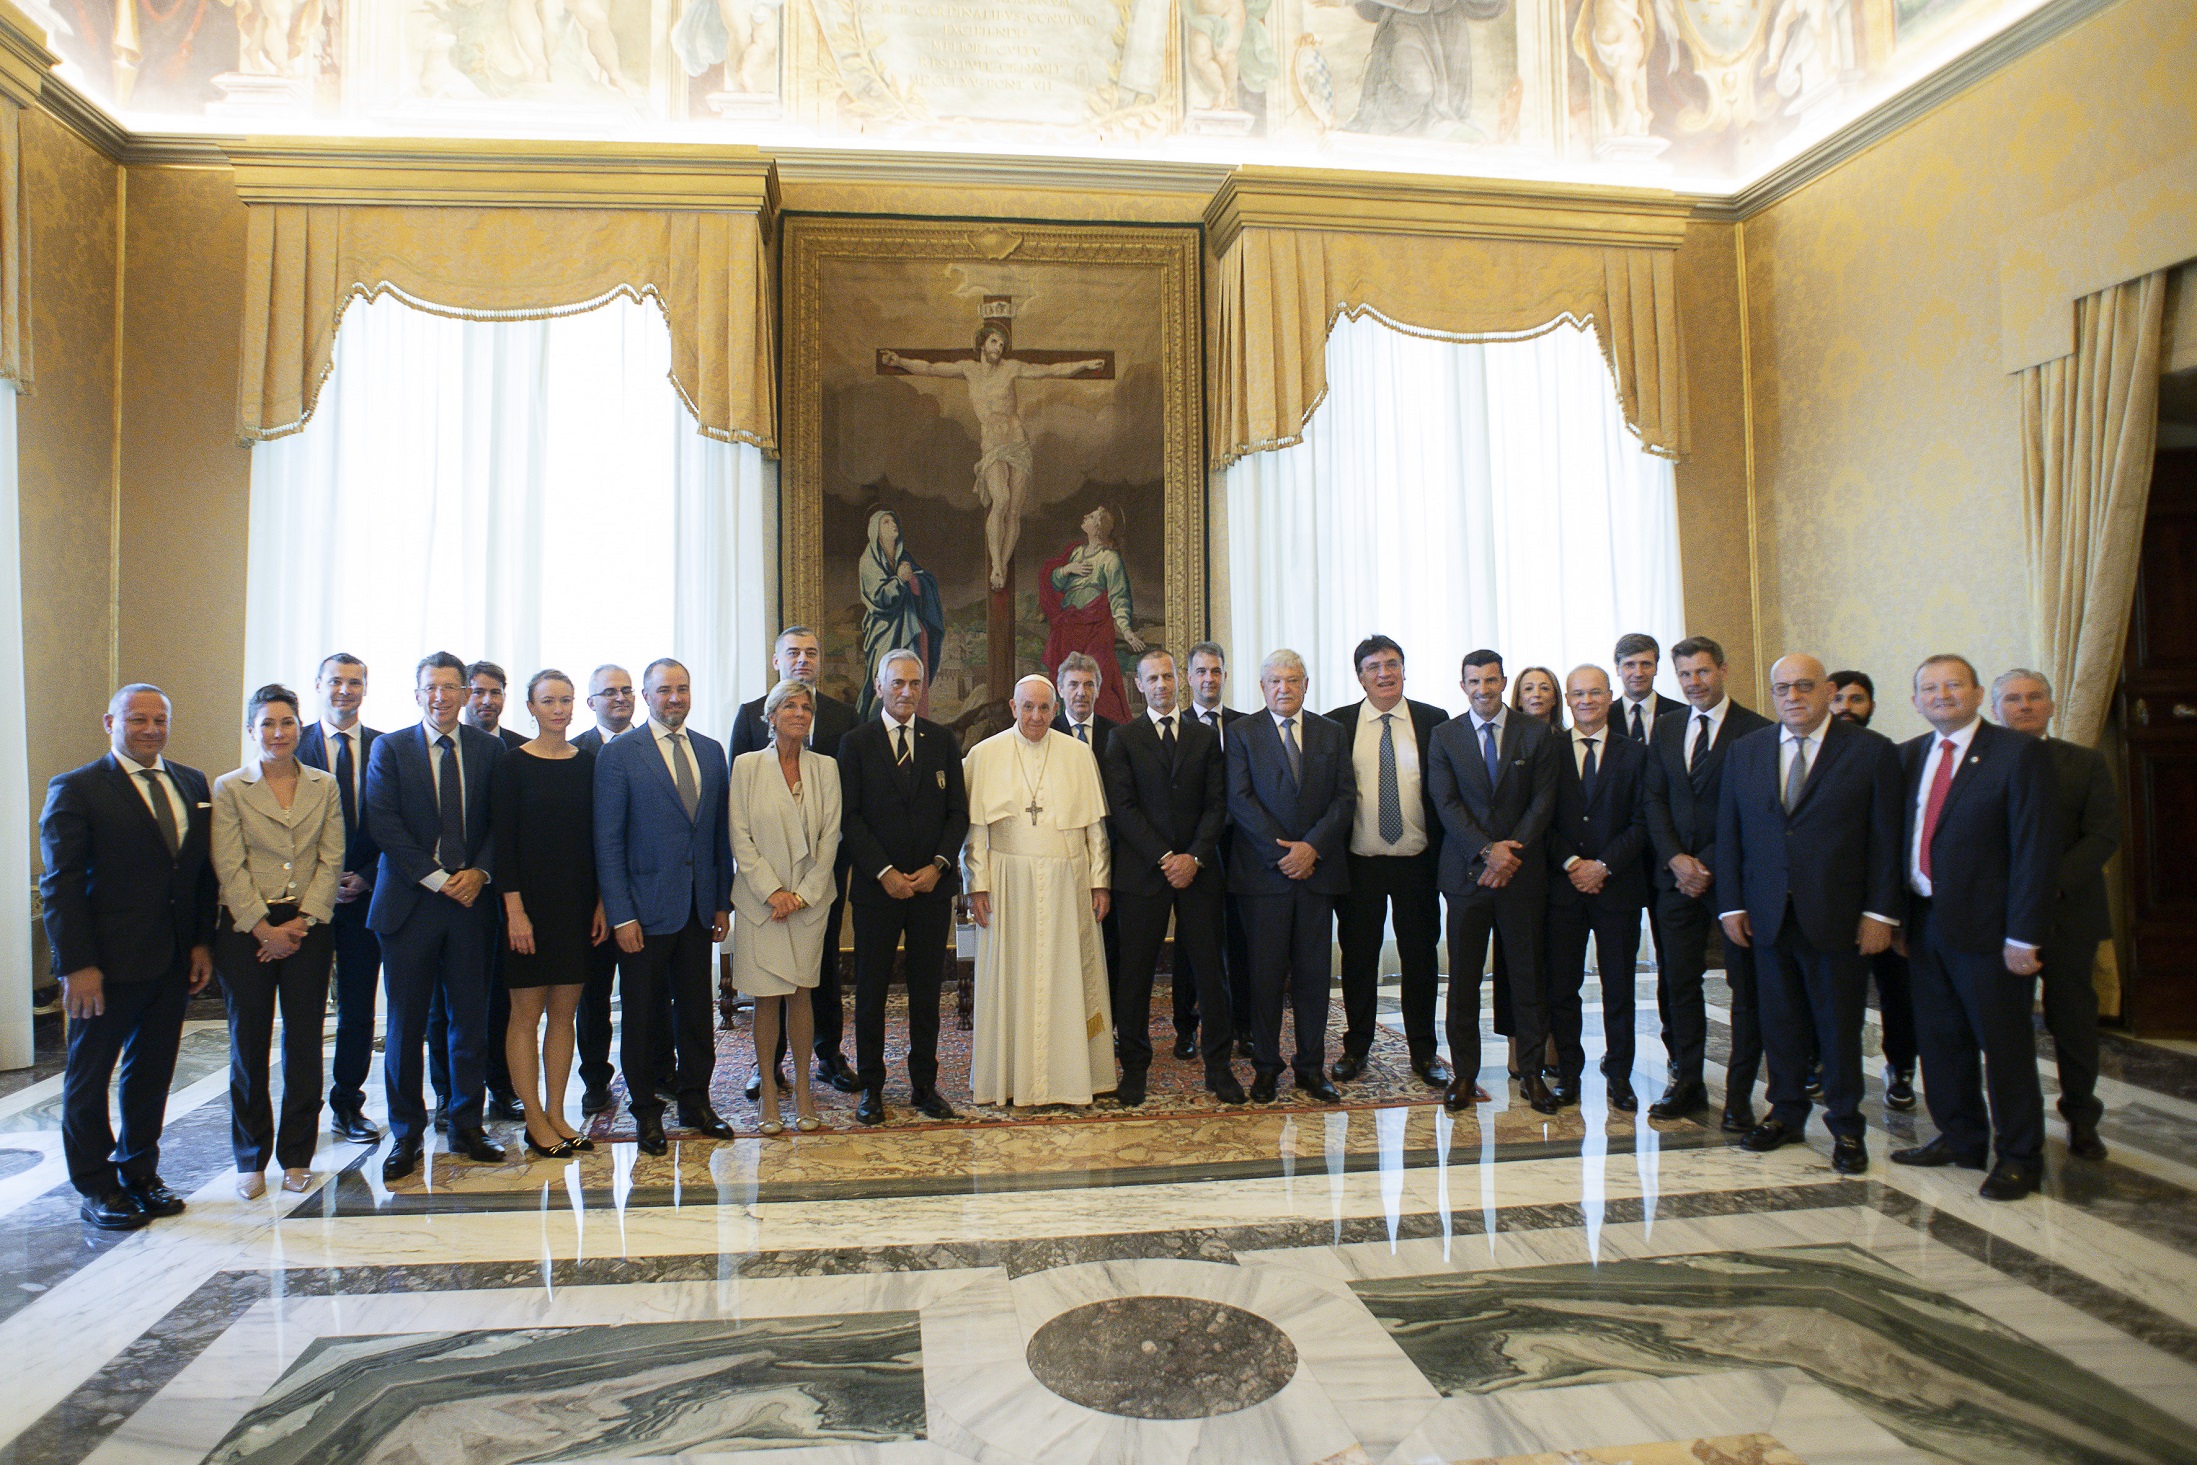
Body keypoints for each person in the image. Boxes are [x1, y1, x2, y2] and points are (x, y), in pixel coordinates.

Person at [1715, 653, 1903, 1178]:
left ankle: (1846, 1125)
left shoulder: (1871, 752)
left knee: (1838, 1024)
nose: (1792, 697)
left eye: (1803, 686)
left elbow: (1887, 840)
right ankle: (1786, 1112)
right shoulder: (1747, 751)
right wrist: (1732, 904)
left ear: (1826, 691)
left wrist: (1881, 913)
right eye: (1782, 688)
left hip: (1839, 915)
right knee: (1780, 1021)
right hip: (1767, 915)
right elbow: (1730, 833)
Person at [41, 684, 219, 1230]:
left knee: (152, 1074)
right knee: (89, 1078)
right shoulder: (76, 787)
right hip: (103, 966)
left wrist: (199, 942)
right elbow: (60, 884)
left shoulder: (191, 782)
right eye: (137, 719)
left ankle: (141, 1173)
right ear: (110, 722)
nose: (150, 729)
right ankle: (96, 1186)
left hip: (171, 960)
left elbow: (197, 874)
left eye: (159, 719)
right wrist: (76, 965)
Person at [1889, 655, 2057, 1201]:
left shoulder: (2018, 753)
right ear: (1915, 701)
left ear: (1979, 693)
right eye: (1929, 688)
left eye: (1953, 685)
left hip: (1992, 931)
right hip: (1925, 921)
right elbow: (1896, 843)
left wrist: (2024, 934)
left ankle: (2019, 1156)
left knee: (2004, 1048)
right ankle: (1960, 1137)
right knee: (1940, 1040)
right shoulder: (1908, 756)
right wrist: (1896, 919)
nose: (1941, 695)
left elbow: (2035, 849)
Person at [365, 652, 509, 1182]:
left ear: (466, 693)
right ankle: (406, 1134)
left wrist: (480, 872)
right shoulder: (390, 748)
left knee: (469, 1021)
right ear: (417, 693)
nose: (440, 697)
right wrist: (436, 877)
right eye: (431, 687)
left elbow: (500, 822)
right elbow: (384, 823)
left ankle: (467, 1126)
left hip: (471, 905)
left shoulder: (488, 749)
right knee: (406, 1027)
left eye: (451, 687)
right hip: (410, 906)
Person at [594, 658, 737, 1156]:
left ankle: (696, 1103)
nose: (674, 698)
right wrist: (621, 915)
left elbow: (717, 835)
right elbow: (608, 842)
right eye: (663, 690)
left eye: (682, 688)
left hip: (698, 909)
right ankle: (646, 1112)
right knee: (641, 1016)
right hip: (642, 913)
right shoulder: (620, 754)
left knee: (697, 1013)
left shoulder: (711, 751)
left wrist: (721, 903)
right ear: (646, 696)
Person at [210, 685, 344, 1198]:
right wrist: (263, 929)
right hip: (248, 928)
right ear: (252, 730)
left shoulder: (324, 785)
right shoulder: (229, 787)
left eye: (286, 722)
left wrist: (301, 925)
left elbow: (332, 859)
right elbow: (229, 863)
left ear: (299, 728)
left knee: (304, 1043)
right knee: (248, 1044)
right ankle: (250, 1157)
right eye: (267, 723)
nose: (278, 732)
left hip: (308, 926)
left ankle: (297, 1155)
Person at [964, 675, 1115, 1105]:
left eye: (1044, 708)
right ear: (1013, 707)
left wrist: (1099, 881)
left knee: (1067, 976)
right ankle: (1010, 1078)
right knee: (1012, 977)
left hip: (1068, 882)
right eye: (1027, 707)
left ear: (1055, 709)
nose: (1035, 716)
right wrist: (977, 885)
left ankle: (1069, 1078)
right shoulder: (984, 754)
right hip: (1008, 883)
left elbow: (1094, 829)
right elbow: (975, 831)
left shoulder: (1078, 753)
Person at [1641, 636, 1772, 1125]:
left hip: (1733, 882)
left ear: (1722, 669)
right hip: (1674, 880)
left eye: (1702, 671)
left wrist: (1706, 863)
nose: (1694, 682)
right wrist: (1677, 859)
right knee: (1679, 983)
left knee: (1744, 988)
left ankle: (1738, 1094)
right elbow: (1653, 799)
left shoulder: (1756, 730)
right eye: (1685, 674)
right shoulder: (1667, 727)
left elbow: (1755, 810)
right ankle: (1688, 1082)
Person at [729, 626, 862, 1100]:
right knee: (770, 979)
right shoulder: (749, 715)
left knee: (820, 964)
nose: (803, 659)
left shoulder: (843, 716)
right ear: (776, 660)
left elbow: (845, 801)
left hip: (821, 872)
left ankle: (827, 1054)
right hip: (765, 881)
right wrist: (770, 887)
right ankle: (769, 1065)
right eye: (793, 652)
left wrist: (811, 884)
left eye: (811, 652)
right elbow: (737, 808)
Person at [1102, 649, 1240, 1106]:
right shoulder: (1123, 739)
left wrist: (1193, 857)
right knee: (1135, 976)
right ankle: (1134, 1070)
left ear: (1179, 680)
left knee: (1211, 972)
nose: (1161, 685)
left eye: (1167, 676)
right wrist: (1165, 857)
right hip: (1143, 873)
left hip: (1199, 872)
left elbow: (1217, 805)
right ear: (1138, 685)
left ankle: (1218, 1068)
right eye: (1152, 678)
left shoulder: (1205, 736)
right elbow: (1123, 809)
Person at [1427, 650, 1562, 1115]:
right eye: (1473, 682)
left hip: (1521, 876)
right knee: (1463, 980)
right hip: (1466, 877)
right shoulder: (1444, 736)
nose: (1482, 690)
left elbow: (1543, 801)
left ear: (1504, 682)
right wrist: (1488, 851)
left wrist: (1508, 855)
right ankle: (1464, 1074)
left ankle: (1531, 1074)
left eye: (1490, 680)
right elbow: (1446, 803)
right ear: (1462, 686)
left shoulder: (1535, 733)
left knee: (1527, 977)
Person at [837, 649, 968, 1124]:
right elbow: (849, 817)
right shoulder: (856, 743)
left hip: (931, 889)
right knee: (871, 991)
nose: (907, 691)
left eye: (915, 683)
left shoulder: (942, 740)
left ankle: (924, 1086)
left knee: (927, 991)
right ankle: (872, 1087)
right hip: (878, 891)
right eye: (898, 683)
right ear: (879, 687)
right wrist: (883, 872)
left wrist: (938, 866)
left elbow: (958, 813)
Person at [1993, 668, 2117, 1161]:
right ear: (1995, 707)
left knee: (2073, 1021)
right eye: (2013, 698)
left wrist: (2045, 887)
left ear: (2050, 704)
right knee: (2007, 1024)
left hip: (2069, 913)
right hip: (2000, 916)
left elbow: (2103, 834)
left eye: (2034, 697)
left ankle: (2082, 1118)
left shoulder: (2085, 762)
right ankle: (2017, 1122)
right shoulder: (1983, 762)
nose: (2024, 706)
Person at [1226, 649, 1355, 1105]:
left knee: (1314, 977)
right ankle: (1266, 1067)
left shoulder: (1331, 732)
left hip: (1316, 874)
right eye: (1275, 681)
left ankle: (1310, 1067)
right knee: (1264, 978)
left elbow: (1344, 797)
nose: (1284, 688)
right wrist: (1284, 854)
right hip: (1264, 877)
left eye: (1293, 680)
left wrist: (1311, 848)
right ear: (1262, 687)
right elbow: (1239, 799)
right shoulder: (1240, 733)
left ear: (1306, 685)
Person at [491, 670, 606, 1160]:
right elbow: (503, 845)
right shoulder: (511, 765)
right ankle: (534, 1119)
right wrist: (515, 911)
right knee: (526, 1016)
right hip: (528, 908)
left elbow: (599, 839)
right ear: (531, 708)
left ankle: (558, 1113)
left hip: (576, 905)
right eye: (547, 701)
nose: (558, 709)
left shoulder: (589, 764)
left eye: (565, 700)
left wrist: (602, 902)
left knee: (564, 1015)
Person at [1326, 635, 1450, 1089]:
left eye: (1392, 664)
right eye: (1373, 667)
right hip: (1360, 863)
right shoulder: (1337, 725)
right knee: (1359, 957)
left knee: (1420, 957)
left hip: (1417, 861)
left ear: (1404, 669)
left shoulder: (1434, 721)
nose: (1384, 674)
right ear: (1360, 676)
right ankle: (1356, 1047)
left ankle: (1424, 1050)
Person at [1544, 665, 1651, 1110]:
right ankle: (1568, 1074)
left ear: (1610, 697)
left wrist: (1603, 865)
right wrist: (1573, 863)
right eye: (1577, 694)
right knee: (1562, 987)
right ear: (1567, 700)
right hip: (1563, 889)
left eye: (1594, 693)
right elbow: (1539, 817)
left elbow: (1643, 821)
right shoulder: (1548, 750)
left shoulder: (1636, 753)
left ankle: (1620, 1075)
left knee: (1619, 987)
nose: (1586, 701)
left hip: (1617, 888)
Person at [295, 653, 382, 1144]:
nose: (344, 690)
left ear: (365, 689)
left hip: (365, 897)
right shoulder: (291, 743)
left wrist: (367, 876)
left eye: (354, 682)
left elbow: (398, 822)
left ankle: (348, 1104)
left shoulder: (387, 747)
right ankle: (300, 1111)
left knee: (357, 1007)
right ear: (318, 685)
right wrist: (323, 880)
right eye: (335, 681)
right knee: (305, 1010)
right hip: (306, 900)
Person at [1827, 667, 1916, 1108]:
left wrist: (1893, 912)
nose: (1846, 707)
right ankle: (1822, 1065)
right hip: (1830, 901)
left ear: (1872, 706)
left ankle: (1900, 1068)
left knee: (1896, 993)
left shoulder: (1888, 756)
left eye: (1856, 699)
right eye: (1838, 698)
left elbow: (1899, 838)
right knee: (1831, 995)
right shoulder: (1807, 757)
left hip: (1882, 901)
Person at [571, 663, 653, 1116]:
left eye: (626, 690)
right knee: (594, 996)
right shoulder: (575, 753)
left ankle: (657, 1072)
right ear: (591, 703)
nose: (620, 698)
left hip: (648, 894)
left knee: (650, 994)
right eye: (609, 692)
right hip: (592, 903)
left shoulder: (653, 745)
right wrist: (603, 898)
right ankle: (595, 1079)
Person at [448, 659, 526, 1125]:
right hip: (451, 894)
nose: (486, 700)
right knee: (448, 1006)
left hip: (504, 893)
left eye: (495, 692)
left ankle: (502, 1087)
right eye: (477, 691)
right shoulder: (445, 746)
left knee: (502, 998)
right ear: (463, 696)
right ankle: (450, 1095)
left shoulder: (519, 748)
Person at [1179, 641, 1252, 1059]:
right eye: (1202, 671)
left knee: (1240, 938)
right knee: (1192, 942)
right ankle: (1186, 1027)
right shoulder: (1177, 725)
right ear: (1189, 677)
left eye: (1216, 671)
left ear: (1225, 675)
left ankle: (1244, 1026)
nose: (1209, 679)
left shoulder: (1245, 726)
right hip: (1195, 848)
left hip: (1240, 846)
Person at [1496, 663, 1562, 1082]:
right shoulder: (1505, 739)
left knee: (1553, 961)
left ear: (1556, 697)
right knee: (1514, 962)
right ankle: (1517, 1044)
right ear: (1516, 697)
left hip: (1560, 869)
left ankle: (1552, 1042)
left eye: (1545, 687)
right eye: (1528, 688)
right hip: (1516, 864)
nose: (1536, 694)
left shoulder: (1567, 740)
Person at [1054, 650, 1121, 997]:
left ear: (1098, 689)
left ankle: (1106, 1016)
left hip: (1109, 856)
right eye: (1074, 685)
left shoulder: (1117, 735)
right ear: (1060, 689)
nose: (1081, 692)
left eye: (1088, 685)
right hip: (1058, 856)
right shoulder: (1045, 732)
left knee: (1108, 943)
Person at [1041, 506, 1145, 725]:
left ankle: (1104, 732)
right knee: (1068, 680)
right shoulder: (1076, 553)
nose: (1084, 517)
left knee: (1097, 681)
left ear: (1097, 527)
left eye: (1089, 516)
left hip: (1096, 627)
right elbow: (1055, 583)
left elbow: (1119, 597)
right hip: (1069, 628)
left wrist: (1126, 631)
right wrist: (1067, 569)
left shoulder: (1110, 559)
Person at [856, 508, 945, 719]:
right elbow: (878, 597)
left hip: (910, 628)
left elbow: (923, 580)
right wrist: (899, 581)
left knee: (912, 677)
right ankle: (877, 726)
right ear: (875, 530)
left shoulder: (903, 557)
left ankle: (913, 723)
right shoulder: (869, 559)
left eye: (893, 521)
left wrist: (915, 580)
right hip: (884, 630)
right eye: (886, 522)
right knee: (884, 679)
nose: (893, 525)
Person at [1613, 634, 1683, 743]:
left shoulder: (1680, 714)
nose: (1638, 673)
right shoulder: (1604, 716)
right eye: (1630, 665)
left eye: (1646, 664)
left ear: (1656, 668)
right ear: (1617, 669)